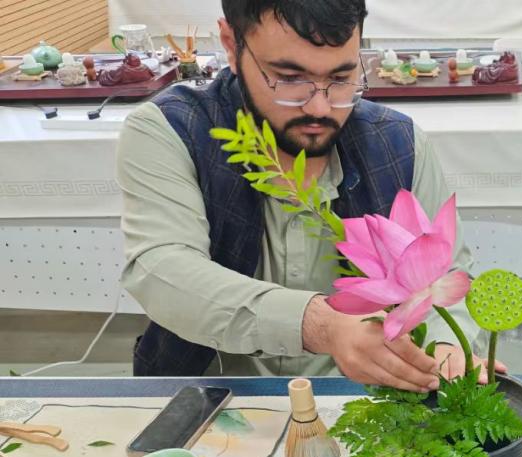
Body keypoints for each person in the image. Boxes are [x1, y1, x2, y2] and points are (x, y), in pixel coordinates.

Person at [118, 0, 486, 391]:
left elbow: (445, 275)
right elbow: (163, 269)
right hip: (209, 399)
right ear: (231, 43)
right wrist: (322, 325)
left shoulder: (399, 143)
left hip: (367, 402)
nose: (319, 106)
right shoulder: (170, 130)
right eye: (289, 78)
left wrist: (445, 348)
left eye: (342, 78)